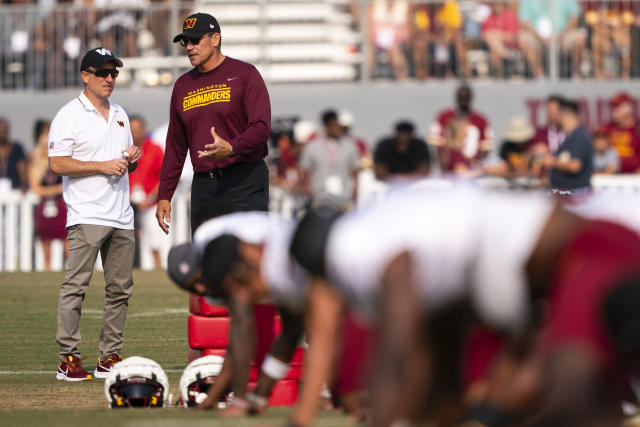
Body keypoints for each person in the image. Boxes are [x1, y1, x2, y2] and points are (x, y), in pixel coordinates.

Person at [290, 186, 640, 427]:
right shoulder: (386, 230)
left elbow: (397, 345)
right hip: (530, 266)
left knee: (570, 394)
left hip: (581, 252)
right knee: (485, 396)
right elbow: (434, 347)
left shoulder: (352, 247)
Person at [48, 47, 141, 382]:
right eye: (102, 72)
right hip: (87, 213)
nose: (109, 78)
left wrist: (134, 157)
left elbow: (128, 161)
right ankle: (67, 358)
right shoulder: (68, 115)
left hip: (121, 214)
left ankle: (109, 357)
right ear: (85, 75)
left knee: (120, 289)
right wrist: (102, 165)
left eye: (113, 72)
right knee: (76, 287)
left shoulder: (120, 113)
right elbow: (57, 163)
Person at [157, 12, 271, 236]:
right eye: (185, 42)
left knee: (248, 259)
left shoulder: (245, 74)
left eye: (195, 40)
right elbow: (175, 146)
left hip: (244, 181)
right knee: (205, 262)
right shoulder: (183, 85)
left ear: (215, 39)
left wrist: (232, 147)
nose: (189, 47)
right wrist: (164, 194)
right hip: (204, 187)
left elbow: (261, 128)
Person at [128, 114, 169, 270]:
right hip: (127, 203)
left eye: (137, 129)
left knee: (154, 240)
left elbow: (164, 177)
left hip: (150, 203)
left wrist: (151, 197)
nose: (135, 133)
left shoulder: (155, 149)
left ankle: (157, 269)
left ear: (144, 129)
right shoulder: (124, 149)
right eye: (131, 130)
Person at [298, 109, 360, 209]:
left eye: (338, 125)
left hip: (344, 200)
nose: (337, 128)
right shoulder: (312, 147)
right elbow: (306, 172)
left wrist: (355, 195)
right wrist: (308, 195)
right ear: (326, 126)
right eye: (333, 125)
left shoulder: (350, 146)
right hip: (320, 200)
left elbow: (355, 173)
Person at [28, 119, 68, 271]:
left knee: (67, 242)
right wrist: (58, 189)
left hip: (61, 207)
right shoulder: (37, 166)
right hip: (45, 208)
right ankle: (47, 272)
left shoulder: (59, 163)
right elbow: (37, 189)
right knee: (46, 248)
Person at [428, 84, 494, 169]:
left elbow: (485, 146)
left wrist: (476, 165)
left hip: (472, 170)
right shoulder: (444, 117)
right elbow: (437, 144)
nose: (463, 101)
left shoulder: (481, 120)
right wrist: (443, 167)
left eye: (466, 98)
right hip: (449, 169)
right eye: (461, 98)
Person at [517, 0, 585, 79]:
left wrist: (561, 36)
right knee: (523, 39)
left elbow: (574, 18)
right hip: (536, 37)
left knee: (579, 38)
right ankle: (540, 76)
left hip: (563, 35)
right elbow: (524, 22)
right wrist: (540, 38)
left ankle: (576, 76)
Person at [544, 97, 593, 192]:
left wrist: (552, 162)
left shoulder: (578, 136)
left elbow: (575, 165)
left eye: (557, 115)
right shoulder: (571, 137)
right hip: (569, 194)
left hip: (575, 195)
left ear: (564, 115)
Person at [600, 92, 640, 173]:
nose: (614, 111)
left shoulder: (637, 128)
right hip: (611, 178)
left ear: (628, 108)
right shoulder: (605, 129)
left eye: (617, 107)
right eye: (612, 107)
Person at [0, 117, 28, 192]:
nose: (3, 132)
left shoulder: (16, 149)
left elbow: (22, 168)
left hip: (14, 191)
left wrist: (24, 183)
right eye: (1, 130)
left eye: (5, 130)